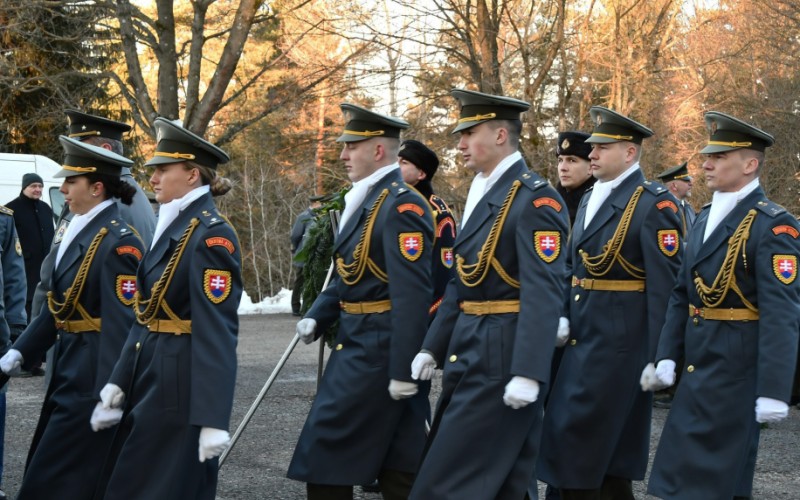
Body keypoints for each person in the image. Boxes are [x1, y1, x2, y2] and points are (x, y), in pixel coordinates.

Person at [408, 89, 569, 499]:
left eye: (469, 133)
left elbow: (544, 290)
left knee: (445, 481)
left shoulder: (535, 198)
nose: (459, 143)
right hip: (474, 347)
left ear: (500, 135)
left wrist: (529, 372)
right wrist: (433, 346)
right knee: (509, 483)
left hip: (503, 356)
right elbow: (464, 280)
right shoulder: (485, 190)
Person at [643, 112, 800, 500]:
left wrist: (775, 389)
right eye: (707, 156)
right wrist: (667, 354)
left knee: (712, 483)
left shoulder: (775, 226)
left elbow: (782, 314)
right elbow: (683, 292)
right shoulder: (705, 216)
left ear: (750, 164)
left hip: (736, 372)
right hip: (698, 368)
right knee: (680, 481)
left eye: (719, 157)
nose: (706, 164)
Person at [287, 103, 434, 500]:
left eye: (351, 146)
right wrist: (318, 315)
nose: (342, 155)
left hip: (378, 349)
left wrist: (403, 367)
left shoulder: (402, 205)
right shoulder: (369, 199)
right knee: (399, 463)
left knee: (325, 454)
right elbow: (352, 272)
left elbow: (413, 294)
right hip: (362, 340)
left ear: (378, 150)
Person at [537, 106, 683, 499]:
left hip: (621, 347)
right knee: (590, 452)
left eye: (603, 147)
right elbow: (572, 266)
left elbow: (666, 289)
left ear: (630, 154)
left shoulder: (654, 204)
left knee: (582, 442)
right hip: (582, 339)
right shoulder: (591, 198)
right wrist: (563, 315)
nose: (593, 153)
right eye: (594, 147)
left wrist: (660, 354)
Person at [92, 118, 242, 500]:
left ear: (192, 175)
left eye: (163, 169)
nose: (153, 177)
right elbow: (147, 314)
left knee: (165, 488)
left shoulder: (211, 235)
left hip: (181, 385)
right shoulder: (176, 224)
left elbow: (216, 331)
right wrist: (119, 378)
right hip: (153, 376)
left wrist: (212, 418)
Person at [0, 136, 144, 500]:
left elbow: (122, 328)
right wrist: (19, 352)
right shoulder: (80, 228)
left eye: (71, 181)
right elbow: (62, 305)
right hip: (69, 367)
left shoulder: (119, 242)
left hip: (92, 378)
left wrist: (111, 396)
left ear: (96, 188)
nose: (62, 188)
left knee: (51, 482)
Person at [397, 139, 457, 318]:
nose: (395, 167)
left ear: (421, 173)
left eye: (404, 162)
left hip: (420, 315)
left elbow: (443, 280)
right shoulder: (391, 204)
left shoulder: (437, 213)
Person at [6, 173, 55, 320]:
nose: (38, 189)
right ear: (24, 188)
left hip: (46, 273)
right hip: (23, 274)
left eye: (40, 186)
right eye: (33, 186)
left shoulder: (46, 208)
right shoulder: (10, 210)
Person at [290, 195, 325, 316]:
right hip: (304, 254)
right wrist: (297, 249)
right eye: (320, 204)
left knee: (313, 281)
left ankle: (308, 307)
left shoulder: (323, 216)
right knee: (300, 281)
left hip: (318, 256)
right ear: (314, 204)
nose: (322, 206)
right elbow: (295, 236)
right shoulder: (303, 217)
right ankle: (295, 307)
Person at [555, 131, 596, 227]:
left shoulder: (598, 204)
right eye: (560, 160)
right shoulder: (551, 202)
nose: (563, 168)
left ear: (590, 167)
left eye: (572, 160)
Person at [656, 161, 696, 237]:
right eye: (686, 181)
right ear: (674, 186)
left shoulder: (688, 208)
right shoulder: (665, 210)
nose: (691, 184)